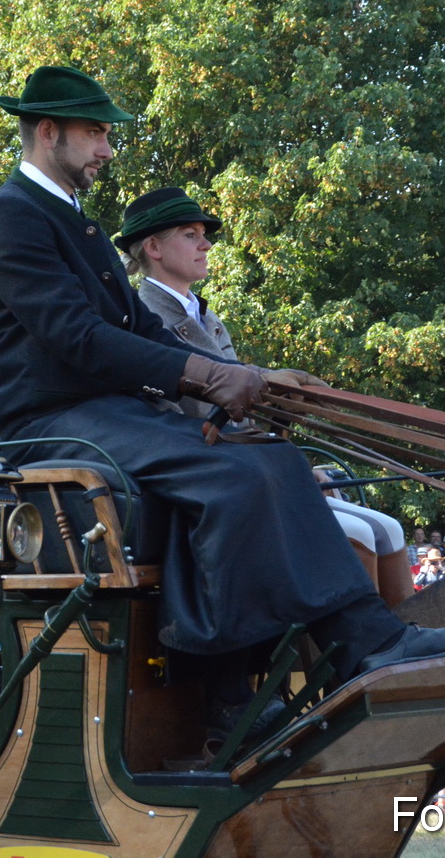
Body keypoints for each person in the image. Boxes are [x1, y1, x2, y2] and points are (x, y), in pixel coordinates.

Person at [0, 66, 445, 738]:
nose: (107, 150)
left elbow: (143, 328)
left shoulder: (78, 225)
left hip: (110, 416)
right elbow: (81, 340)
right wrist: (209, 380)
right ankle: (224, 691)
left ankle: (366, 639)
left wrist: (252, 378)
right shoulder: (9, 218)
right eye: (95, 134)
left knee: (273, 460)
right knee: (229, 475)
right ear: (48, 132)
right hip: (52, 423)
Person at [114, 186, 413, 606]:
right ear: (153, 247)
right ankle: (354, 664)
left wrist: (287, 457)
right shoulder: (146, 317)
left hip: (246, 462)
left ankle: (405, 655)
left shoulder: (205, 315)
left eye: (204, 233)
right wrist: (278, 469)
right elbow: (178, 419)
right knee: (360, 533)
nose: (206, 244)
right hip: (206, 479)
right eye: (190, 234)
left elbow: (243, 413)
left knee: (388, 529)